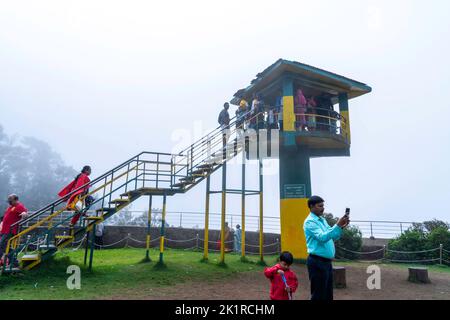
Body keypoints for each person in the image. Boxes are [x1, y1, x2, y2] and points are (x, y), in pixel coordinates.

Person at [303, 196, 350, 300]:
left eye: (323, 205)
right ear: (311, 206)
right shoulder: (310, 222)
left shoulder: (322, 220)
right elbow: (322, 237)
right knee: (319, 294)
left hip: (326, 262)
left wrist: (341, 226)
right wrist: (337, 225)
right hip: (317, 262)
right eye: (320, 206)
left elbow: (333, 235)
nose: (323, 208)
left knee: (328, 294)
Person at [58, 166, 92, 230]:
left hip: (80, 194)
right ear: (86, 170)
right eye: (90, 170)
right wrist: (81, 193)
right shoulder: (83, 176)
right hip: (81, 194)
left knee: (79, 209)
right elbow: (80, 185)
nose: (91, 172)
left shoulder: (81, 175)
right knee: (83, 205)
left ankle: (73, 222)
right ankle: (81, 214)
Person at [0, 194, 28, 267]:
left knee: (2, 245)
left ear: (16, 200)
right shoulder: (11, 207)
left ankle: (13, 262)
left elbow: (25, 213)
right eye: (8, 201)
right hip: (4, 230)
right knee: (6, 247)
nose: (9, 202)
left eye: (10, 201)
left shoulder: (19, 206)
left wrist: (24, 214)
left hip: (10, 230)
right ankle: (13, 262)